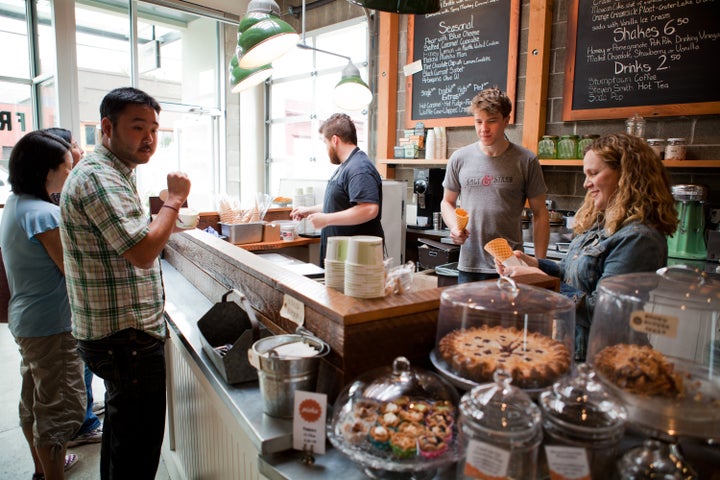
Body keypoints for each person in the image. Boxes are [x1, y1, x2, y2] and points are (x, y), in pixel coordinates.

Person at [59, 87, 191, 480]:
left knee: (121, 436)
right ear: (106, 127)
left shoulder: (114, 173)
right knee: (137, 448)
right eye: (138, 127)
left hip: (117, 336)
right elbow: (142, 251)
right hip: (125, 340)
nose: (149, 137)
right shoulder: (100, 177)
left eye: (153, 128)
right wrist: (174, 201)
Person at [498, 132, 678, 361]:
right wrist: (535, 264)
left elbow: (605, 313)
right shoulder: (602, 225)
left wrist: (544, 284)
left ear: (627, 176)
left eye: (594, 173)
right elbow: (570, 272)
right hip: (574, 351)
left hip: (607, 362)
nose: (586, 183)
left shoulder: (639, 239)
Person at [0, 130, 85, 480]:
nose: (70, 174)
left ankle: (42, 470)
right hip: (52, 325)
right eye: (67, 168)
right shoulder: (44, 215)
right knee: (61, 407)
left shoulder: (16, 204)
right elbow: (73, 270)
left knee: (35, 400)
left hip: (27, 321)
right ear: (45, 171)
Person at [440, 87, 550, 283]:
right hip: (470, 263)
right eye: (478, 121)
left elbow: (540, 214)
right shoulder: (459, 158)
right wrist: (455, 228)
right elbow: (447, 202)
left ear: (506, 120)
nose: (484, 129)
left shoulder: (526, 160)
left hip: (511, 264)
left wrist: (539, 264)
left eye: (492, 121)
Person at [43, 127, 103, 448]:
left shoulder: (53, 199)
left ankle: (86, 413)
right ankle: (81, 424)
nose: (80, 150)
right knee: (71, 373)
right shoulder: (50, 208)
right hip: (59, 313)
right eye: (75, 145)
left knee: (78, 371)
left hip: (61, 311)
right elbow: (68, 266)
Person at [290, 113, 384, 263]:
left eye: (325, 142)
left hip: (356, 259)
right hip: (341, 256)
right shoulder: (346, 166)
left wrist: (326, 220)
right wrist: (309, 210)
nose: (326, 148)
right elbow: (340, 203)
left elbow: (369, 209)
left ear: (335, 140)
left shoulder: (359, 168)